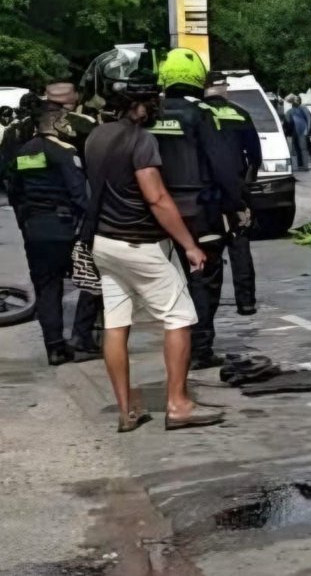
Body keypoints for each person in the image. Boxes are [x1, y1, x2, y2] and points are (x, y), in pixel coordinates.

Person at [84, 69, 223, 432]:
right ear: (142, 106)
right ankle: (178, 404)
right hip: (139, 244)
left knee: (116, 324)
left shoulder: (95, 136)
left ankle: (127, 409)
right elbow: (157, 198)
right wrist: (190, 245)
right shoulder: (141, 140)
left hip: (104, 243)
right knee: (179, 317)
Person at [156, 48, 248, 369]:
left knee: (171, 281)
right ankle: (201, 347)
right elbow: (222, 166)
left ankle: (179, 343)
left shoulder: (150, 114)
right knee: (205, 277)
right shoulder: (204, 114)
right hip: (201, 210)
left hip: (157, 212)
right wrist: (236, 205)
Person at [9, 85, 93, 366]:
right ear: (56, 122)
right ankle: (82, 336)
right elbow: (80, 195)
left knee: (47, 287)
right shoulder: (65, 151)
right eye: (66, 122)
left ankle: (55, 347)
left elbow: (15, 193)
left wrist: (25, 224)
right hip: (66, 228)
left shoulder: (24, 152)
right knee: (93, 281)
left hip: (35, 229)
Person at [202, 72, 262, 316]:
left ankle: (205, 302)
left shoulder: (197, 115)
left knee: (207, 246)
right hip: (236, 188)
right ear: (225, 88)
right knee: (239, 245)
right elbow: (255, 157)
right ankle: (246, 301)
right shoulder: (240, 113)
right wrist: (245, 187)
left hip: (204, 191)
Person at [284, 94, 311, 172]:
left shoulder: (294, 110)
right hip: (300, 132)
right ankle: (302, 165)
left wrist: (308, 129)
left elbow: (287, 121)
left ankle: (300, 166)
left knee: (298, 149)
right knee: (299, 149)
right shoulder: (302, 109)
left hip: (299, 132)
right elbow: (309, 119)